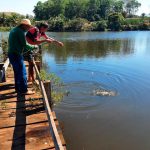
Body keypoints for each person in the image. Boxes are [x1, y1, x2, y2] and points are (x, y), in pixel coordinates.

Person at [8, 19, 36, 95]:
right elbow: (25, 45)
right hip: (16, 54)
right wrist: (34, 47)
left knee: (17, 72)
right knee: (22, 72)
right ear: (24, 25)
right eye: (28, 26)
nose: (29, 28)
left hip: (11, 54)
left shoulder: (14, 30)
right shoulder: (20, 32)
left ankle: (17, 89)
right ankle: (24, 91)